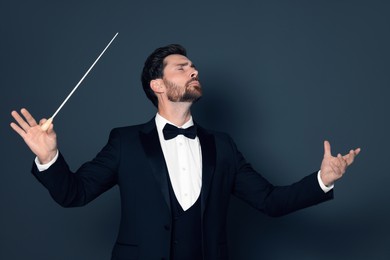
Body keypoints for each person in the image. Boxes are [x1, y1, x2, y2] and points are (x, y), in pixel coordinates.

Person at [10, 44, 360, 260]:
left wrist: (322, 181)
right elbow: (75, 193)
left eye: (193, 66)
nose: (194, 70)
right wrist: (49, 157)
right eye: (182, 67)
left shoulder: (222, 146)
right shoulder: (125, 142)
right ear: (158, 85)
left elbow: (270, 201)